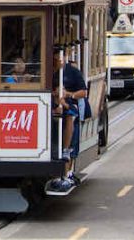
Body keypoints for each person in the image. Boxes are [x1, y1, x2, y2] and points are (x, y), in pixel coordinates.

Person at [47, 51, 88, 194]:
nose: (58, 59)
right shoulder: (51, 72)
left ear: (65, 56)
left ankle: (66, 150)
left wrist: (68, 95)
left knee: (70, 114)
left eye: (60, 57)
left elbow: (83, 92)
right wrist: (56, 94)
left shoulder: (74, 72)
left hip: (70, 105)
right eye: (56, 57)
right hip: (55, 103)